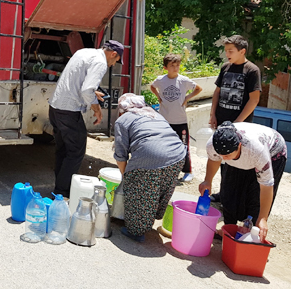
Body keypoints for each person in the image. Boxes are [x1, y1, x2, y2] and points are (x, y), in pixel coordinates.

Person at [48, 40, 124, 197]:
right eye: (116, 60)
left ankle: (60, 189)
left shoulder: (83, 52)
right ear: (113, 54)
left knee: (63, 150)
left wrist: (93, 93)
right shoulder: (101, 62)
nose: (113, 64)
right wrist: (96, 108)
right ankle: (61, 193)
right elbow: (87, 89)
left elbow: (76, 80)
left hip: (55, 107)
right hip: (69, 111)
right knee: (75, 152)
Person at [113, 93, 186, 242]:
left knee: (140, 188)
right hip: (178, 154)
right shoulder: (155, 114)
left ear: (122, 108)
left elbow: (120, 156)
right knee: (159, 186)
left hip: (151, 155)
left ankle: (136, 230)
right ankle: (151, 217)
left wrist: (126, 177)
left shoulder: (123, 120)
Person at [199, 121, 286, 242]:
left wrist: (263, 218)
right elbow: (214, 159)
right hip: (243, 153)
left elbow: (266, 187)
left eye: (227, 155)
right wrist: (207, 180)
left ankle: (251, 236)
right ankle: (228, 230)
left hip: (273, 151)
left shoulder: (257, 151)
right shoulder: (214, 144)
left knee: (254, 197)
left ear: (239, 146)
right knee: (229, 191)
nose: (224, 159)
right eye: (221, 155)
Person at [209, 35, 262, 203]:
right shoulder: (225, 67)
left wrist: (238, 123)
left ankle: (231, 197)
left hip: (240, 125)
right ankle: (223, 194)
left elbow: (254, 100)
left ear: (242, 51)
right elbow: (217, 92)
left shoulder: (252, 70)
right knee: (220, 157)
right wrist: (212, 114)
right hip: (221, 121)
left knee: (234, 161)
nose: (227, 54)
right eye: (226, 51)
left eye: (230, 51)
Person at [151, 53, 202, 182]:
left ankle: (187, 171)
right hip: (164, 120)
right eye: (172, 65)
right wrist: (158, 97)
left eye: (177, 65)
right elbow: (152, 86)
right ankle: (163, 169)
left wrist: (187, 98)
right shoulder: (161, 80)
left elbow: (198, 88)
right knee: (163, 145)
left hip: (180, 120)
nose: (175, 68)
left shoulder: (183, 80)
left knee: (184, 146)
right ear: (165, 67)